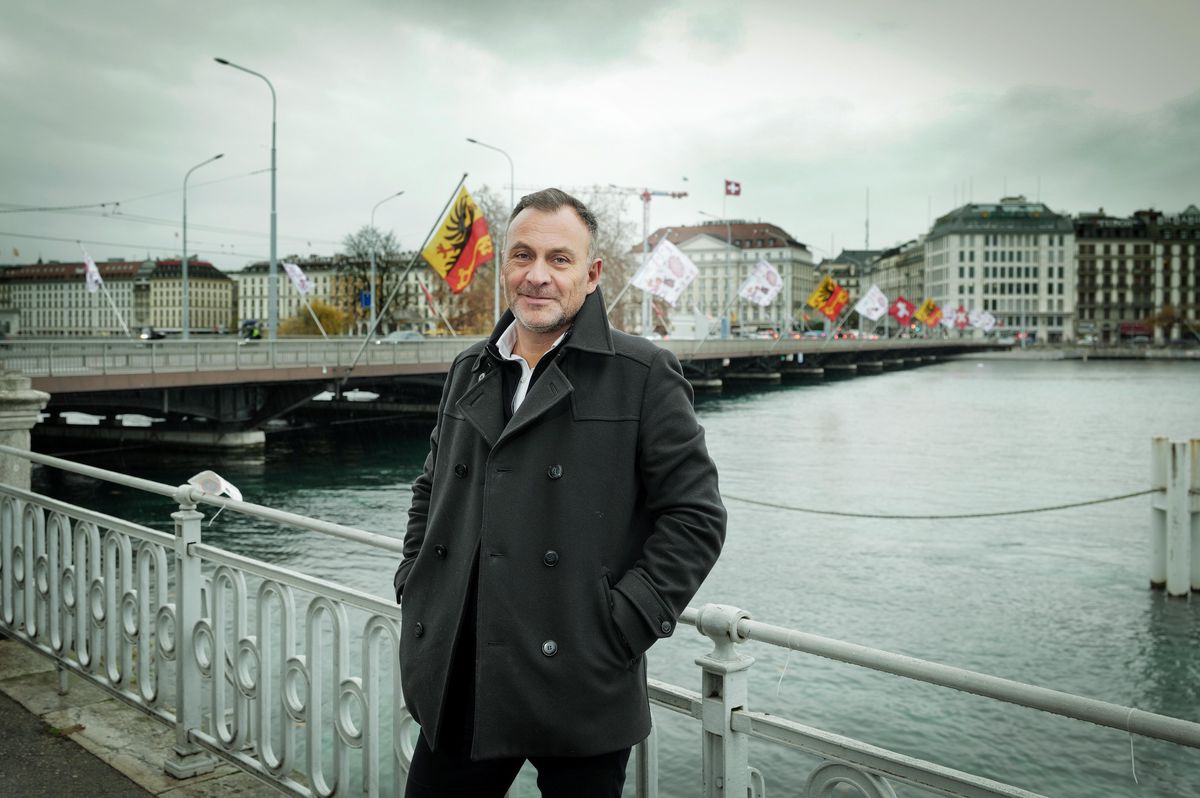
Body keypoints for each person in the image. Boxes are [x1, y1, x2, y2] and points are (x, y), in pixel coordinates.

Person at [394, 188, 726, 797]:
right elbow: (431, 485)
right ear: (505, 267)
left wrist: (621, 627)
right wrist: (416, 577)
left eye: (559, 259)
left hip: (579, 676)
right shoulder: (470, 368)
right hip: (463, 666)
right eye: (522, 256)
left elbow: (695, 517)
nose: (537, 276)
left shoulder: (642, 373)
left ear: (593, 274)